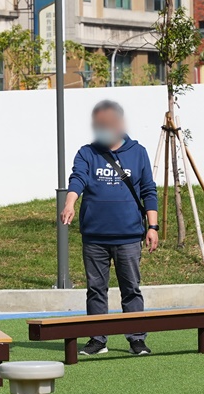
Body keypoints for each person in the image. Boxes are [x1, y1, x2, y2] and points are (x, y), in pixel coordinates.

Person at [61, 100, 159, 356]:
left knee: (131, 288)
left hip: (128, 235)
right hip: (95, 236)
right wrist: (70, 202)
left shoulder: (138, 153)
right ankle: (97, 339)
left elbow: (149, 190)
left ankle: (136, 339)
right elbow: (78, 178)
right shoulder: (87, 153)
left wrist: (153, 226)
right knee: (95, 289)